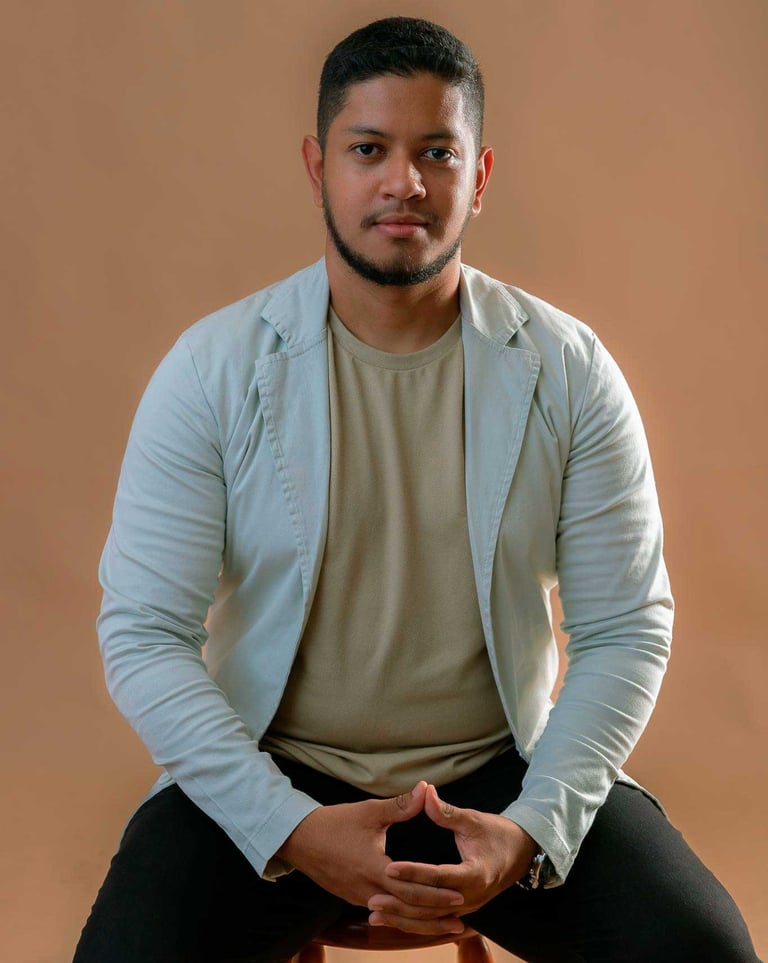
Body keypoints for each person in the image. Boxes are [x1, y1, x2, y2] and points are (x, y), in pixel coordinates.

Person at [74, 17, 759, 963]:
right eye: (369, 150)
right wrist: (288, 828)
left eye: (437, 151)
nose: (405, 182)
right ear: (318, 167)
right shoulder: (211, 370)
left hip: (505, 777)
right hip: (272, 772)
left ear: (479, 177)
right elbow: (145, 631)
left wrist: (529, 830)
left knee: (705, 951)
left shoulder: (571, 370)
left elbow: (624, 627)